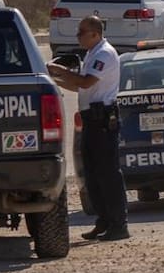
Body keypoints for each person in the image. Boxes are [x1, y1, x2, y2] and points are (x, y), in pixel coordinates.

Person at [48, 16, 128, 241]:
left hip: (102, 121)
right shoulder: (92, 54)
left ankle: (118, 224)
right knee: (92, 175)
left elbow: (85, 82)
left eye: (81, 32)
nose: (78, 36)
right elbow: (79, 87)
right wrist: (54, 79)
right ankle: (103, 220)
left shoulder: (104, 53)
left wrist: (58, 69)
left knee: (108, 174)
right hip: (91, 120)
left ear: (95, 33)